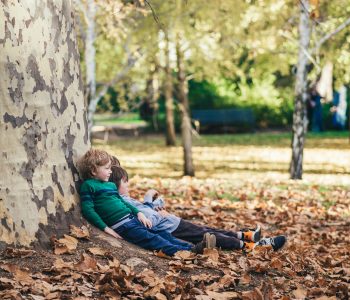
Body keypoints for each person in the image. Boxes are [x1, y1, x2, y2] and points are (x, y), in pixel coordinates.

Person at [110, 165, 287, 252]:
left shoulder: (123, 198)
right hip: (169, 226)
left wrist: (151, 203)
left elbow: (145, 212)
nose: (129, 184)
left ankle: (245, 235)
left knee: (207, 229)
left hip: (171, 222)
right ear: (116, 185)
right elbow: (147, 218)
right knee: (208, 235)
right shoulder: (121, 201)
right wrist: (153, 206)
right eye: (125, 182)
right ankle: (252, 246)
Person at [77, 149, 217, 257]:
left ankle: (195, 247)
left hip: (133, 219)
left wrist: (139, 214)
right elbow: (88, 210)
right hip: (122, 226)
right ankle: (189, 251)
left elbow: (122, 202)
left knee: (163, 234)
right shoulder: (89, 186)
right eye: (107, 168)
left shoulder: (110, 186)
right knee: (153, 240)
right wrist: (106, 229)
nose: (110, 171)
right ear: (93, 170)